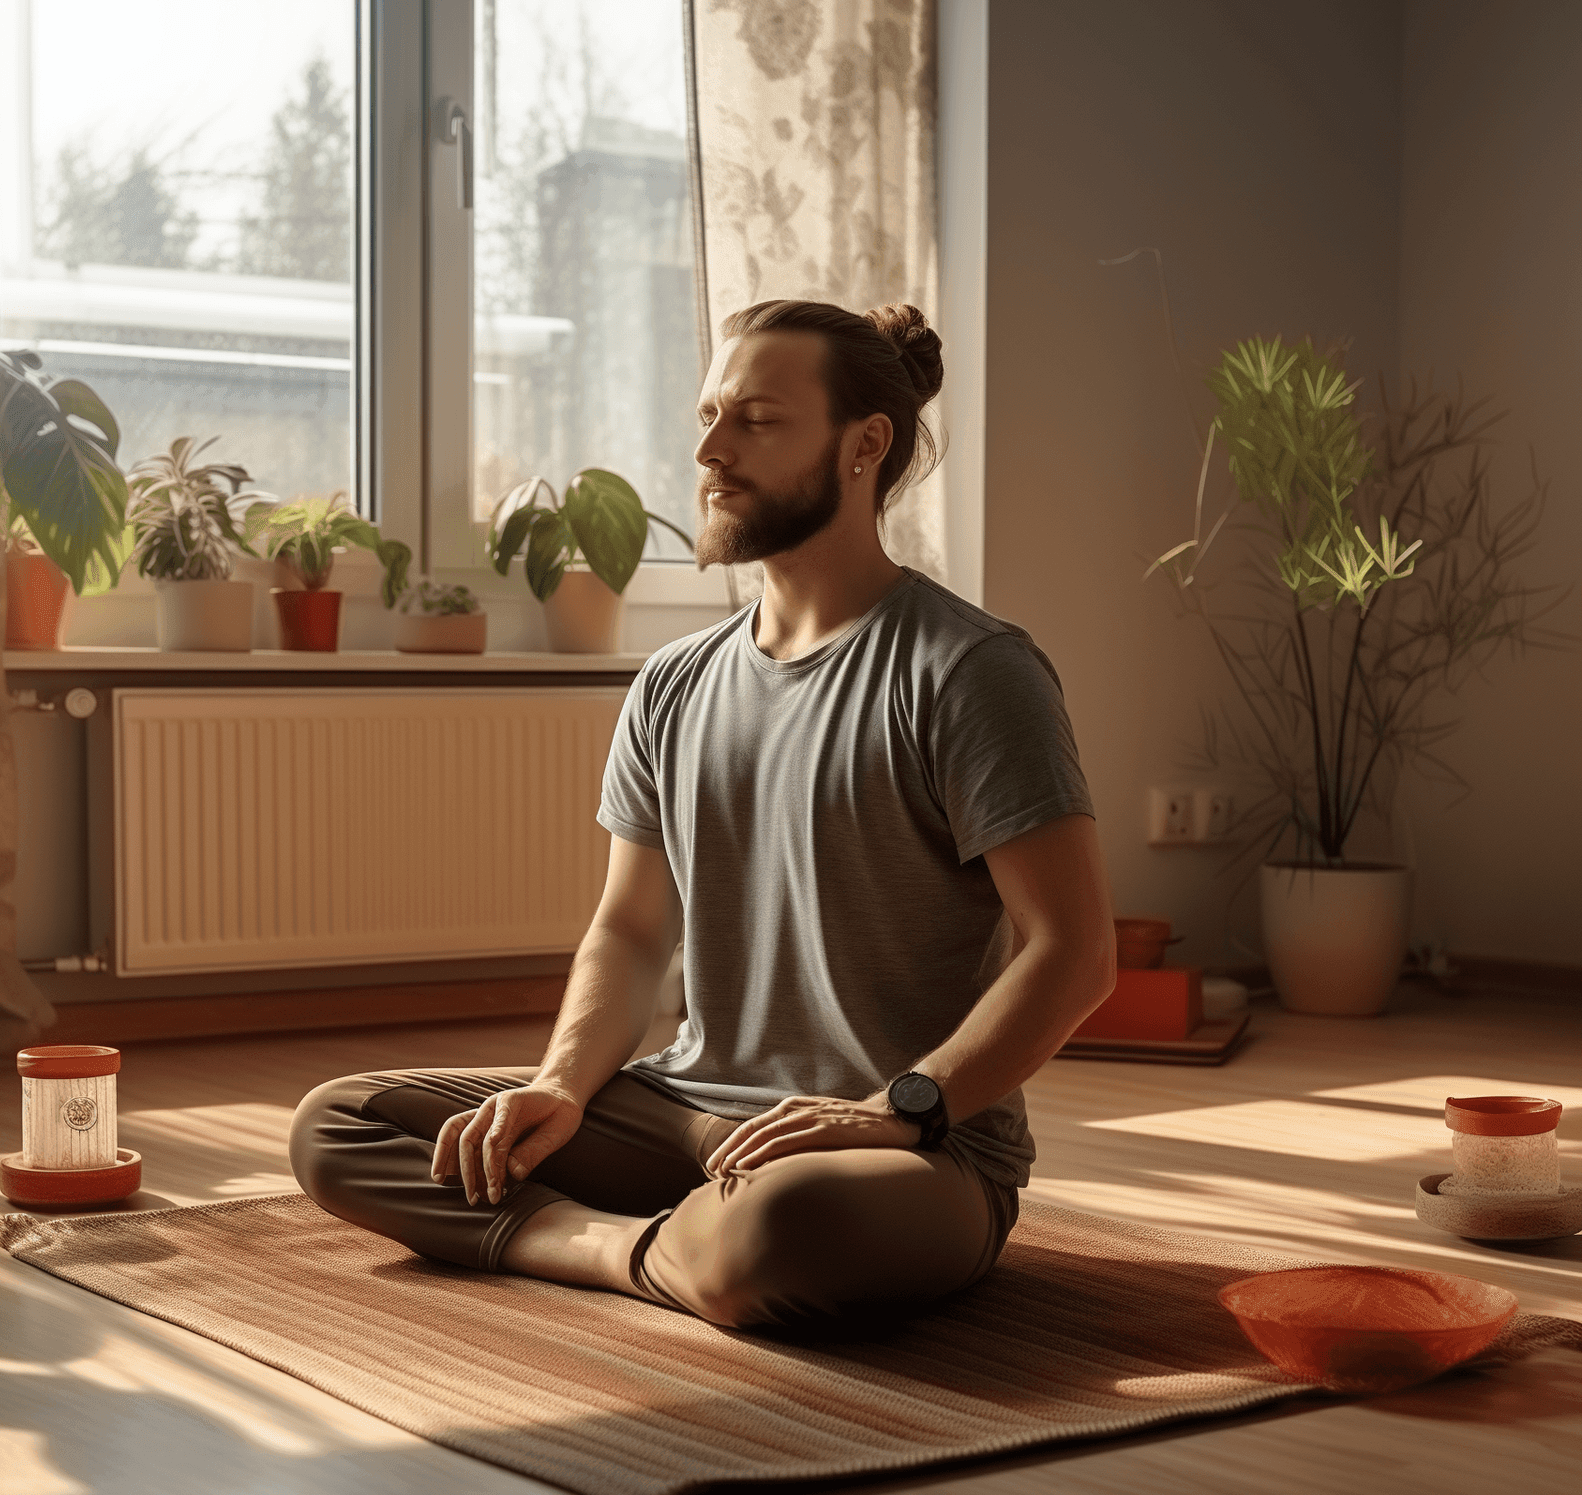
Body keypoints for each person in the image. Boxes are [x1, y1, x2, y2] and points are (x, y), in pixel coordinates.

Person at [290, 299, 1115, 1331]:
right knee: (345, 1124)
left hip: (906, 1148)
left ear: (866, 447)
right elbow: (632, 930)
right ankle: (631, 1250)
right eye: (710, 415)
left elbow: (1074, 952)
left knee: (788, 1226)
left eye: (756, 421)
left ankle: (615, 1239)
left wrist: (900, 1109)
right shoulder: (675, 684)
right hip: (685, 1111)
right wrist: (559, 1085)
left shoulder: (970, 672)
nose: (710, 450)